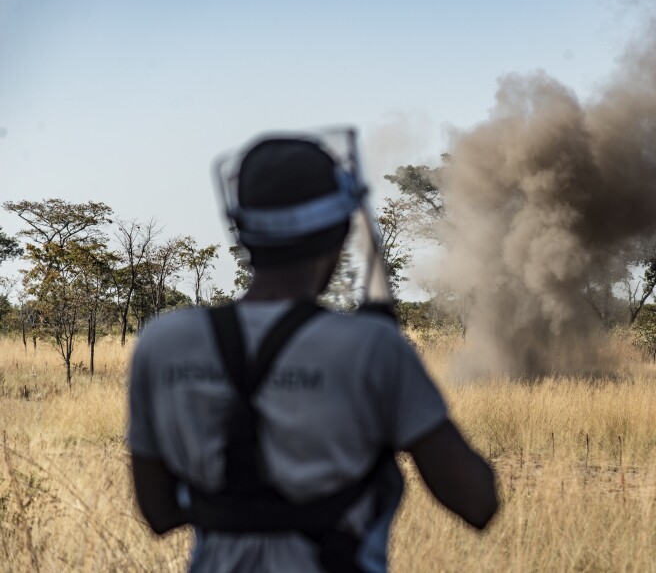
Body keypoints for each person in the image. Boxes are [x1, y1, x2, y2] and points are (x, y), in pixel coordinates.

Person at [127, 135, 498, 573]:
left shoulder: (162, 341)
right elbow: (477, 503)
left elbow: (158, 513)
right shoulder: (371, 348)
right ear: (339, 234)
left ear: (242, 231)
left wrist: (240, 509)